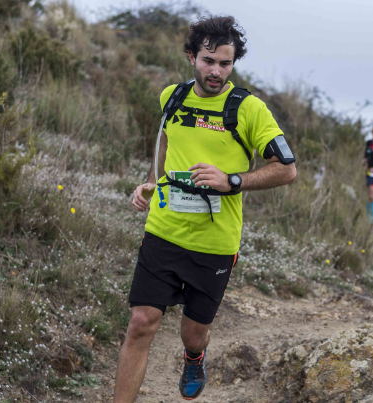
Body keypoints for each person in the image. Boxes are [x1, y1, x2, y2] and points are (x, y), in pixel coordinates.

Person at [115, 15, 296, 402]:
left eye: (225, 63)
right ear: (191, 56)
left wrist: (232, 180)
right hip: (163, 231)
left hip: (215, 241)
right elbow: (165, 140)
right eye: (208, 61)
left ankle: (194, 356)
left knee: (193, 330)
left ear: (234, 64)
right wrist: (152, 181)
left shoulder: (250, 110)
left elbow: (287, 169)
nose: (216, 71)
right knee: (141, 322)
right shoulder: (172, 97)